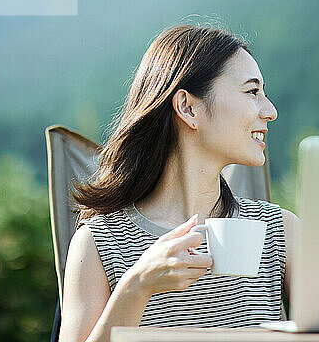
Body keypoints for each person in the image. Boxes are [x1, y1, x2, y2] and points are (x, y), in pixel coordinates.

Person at [59, 24, 301, 342]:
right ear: (188, 107)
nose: (270, 111)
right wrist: (136, 286)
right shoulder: (99, 242)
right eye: (252, 92)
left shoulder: (279, 230)